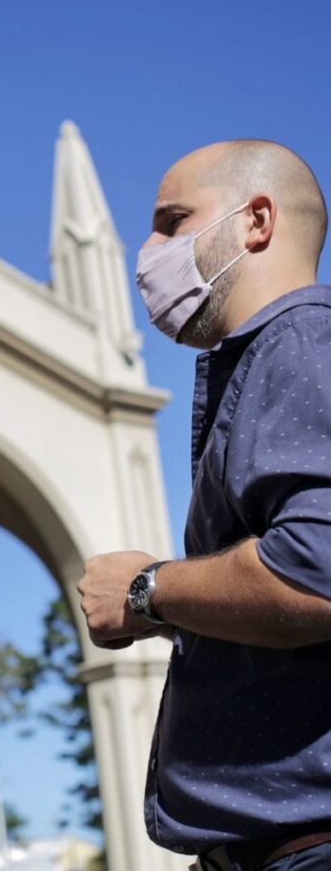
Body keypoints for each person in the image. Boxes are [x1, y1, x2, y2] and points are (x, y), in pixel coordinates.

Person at [78, 140, 331, 871]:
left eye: (171, 221)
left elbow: (316, 571)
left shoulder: (301, 343)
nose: (146, 255)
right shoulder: (274, 357)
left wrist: (147, 588)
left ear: (257, 221)